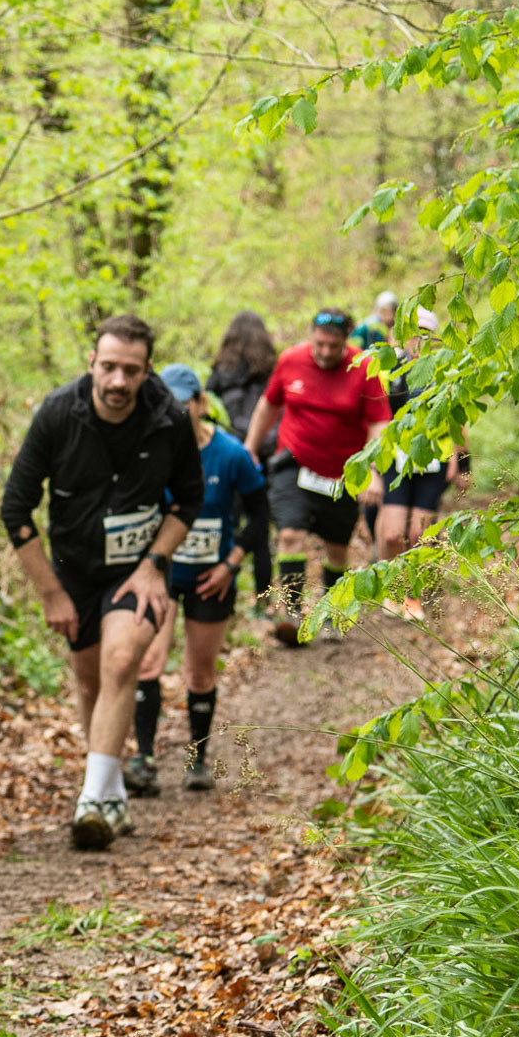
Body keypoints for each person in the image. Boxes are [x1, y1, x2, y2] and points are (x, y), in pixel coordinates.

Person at [0, 315, 203, 852]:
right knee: (91, 684)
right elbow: (15, 509)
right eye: (108, 367)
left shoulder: (169, 417)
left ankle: (90, 802)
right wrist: (51, 593)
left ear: (147, 371)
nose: (118, 381)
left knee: (121, 660)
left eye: (131, 371)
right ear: (91, 362)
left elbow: (189, 499)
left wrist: (155, 562)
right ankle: (112, 795)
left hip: (139, 571)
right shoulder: (57, 414)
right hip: (74, 571)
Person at [125, 365, 268, 796]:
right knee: (148, 662)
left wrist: (231, 564)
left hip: (212, 577)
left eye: (181, 403)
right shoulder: (149, 450)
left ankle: (197, 761)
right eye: (164, 403)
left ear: (200, 403)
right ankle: (144, 760)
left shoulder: (230, 454)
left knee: (199, 673)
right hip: (162, 575)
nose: (172, 411)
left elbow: (260, 516)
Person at [243, 307, 391, 646]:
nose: (325, 352)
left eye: (333, 346)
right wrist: (249, 446)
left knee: (336, 548)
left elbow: (379, 421)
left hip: (344, 471)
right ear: (311, 336)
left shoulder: (363, 367)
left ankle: (330, 613)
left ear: (346, 342)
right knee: (290, 534)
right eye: (319, 344)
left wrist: (372, 470)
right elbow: (269, 404)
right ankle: (292, 613)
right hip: (295, 463)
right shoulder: (291, 360)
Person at [374, 307, 470, 619]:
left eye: (426, 334)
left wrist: (463, 465)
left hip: (434, 461)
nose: (419, 340)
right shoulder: (387, 371)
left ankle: (413, 597)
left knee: (419, 533)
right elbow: (374, 417)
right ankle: (393, 588)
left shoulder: (445, 373)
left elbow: (458, 421)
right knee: (392, 534)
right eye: (414, 334)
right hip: (395, 460)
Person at [206, 311, 280, 605]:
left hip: (230, 456)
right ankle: (263, 599)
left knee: (229, 525)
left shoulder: (220, 371)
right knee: (259, 527)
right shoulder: (272, 368)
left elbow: (209, 410)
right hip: (265, 455)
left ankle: (226, 595)